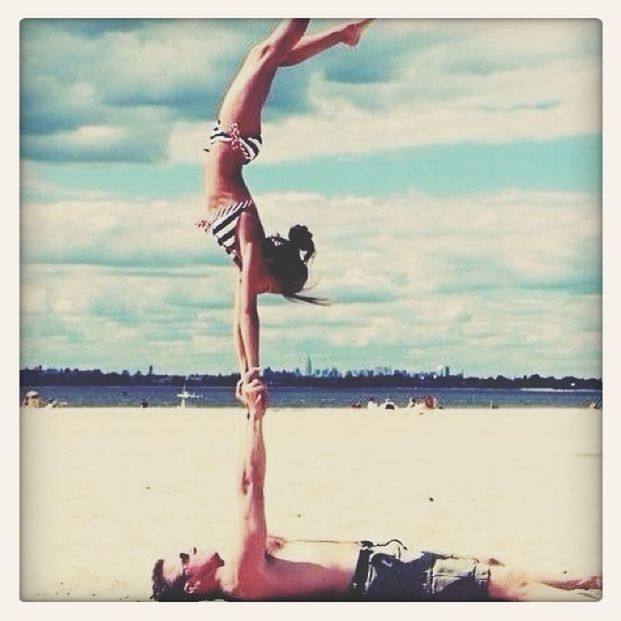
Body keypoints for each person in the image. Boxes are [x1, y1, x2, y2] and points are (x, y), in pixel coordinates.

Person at [151, 381, 601, 602]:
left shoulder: (238, 567)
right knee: (506, 585)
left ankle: (587, 583)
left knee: (489, 566)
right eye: (185, 559)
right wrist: (254, 415)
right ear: (193, 586)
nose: (191, 549)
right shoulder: (242, 576)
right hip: (380, 577)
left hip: (383, 560)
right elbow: (251, 489)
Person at [196, 19, 373, 403]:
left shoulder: (244, 261)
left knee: (269, 57)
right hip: (237, 137)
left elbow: (235, 323)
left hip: (230, 139)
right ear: (272, 269)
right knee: (266, 53)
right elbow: (248, 316)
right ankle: (328, 26)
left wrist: (246, 374)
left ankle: (344, 35)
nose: (261, 290)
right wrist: (257, 371)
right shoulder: (251, 245)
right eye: (270, 288)